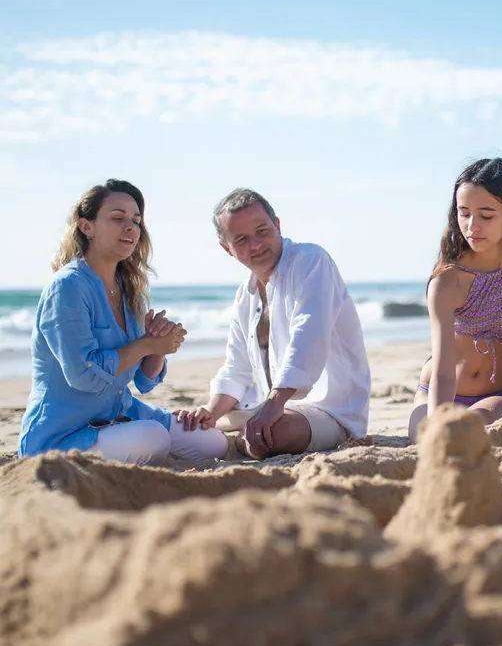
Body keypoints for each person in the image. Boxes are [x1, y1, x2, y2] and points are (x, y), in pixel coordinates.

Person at [18, 179, 228, 463]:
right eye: (118, 218)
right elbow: (84, 376)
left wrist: (158, 347)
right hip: (62, 435)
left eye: (136, 220)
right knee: (153, 437)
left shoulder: (130, 288)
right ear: (86, 226)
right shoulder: (67, 287)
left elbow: (144, 380)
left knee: (212, 443)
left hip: (119, 416)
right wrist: (144, 345)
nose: (130, 227)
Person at [174, 189, 370, 459]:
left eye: (262, 231)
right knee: (193, 424)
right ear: (227, 249)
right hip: (270, 407)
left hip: (331, 411)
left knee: (266, 436)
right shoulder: (246, 294)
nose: (256, 245)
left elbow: (309, 334)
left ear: (277, 225)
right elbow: (237, 368)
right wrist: (210, 410)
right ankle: (224, 425)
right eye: (241, 239)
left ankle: (240, 431)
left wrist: (274, 403)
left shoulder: (311, 261)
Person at [408, 158, 502, 442]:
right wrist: (438, 425)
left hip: (500, 396)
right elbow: (443, 372)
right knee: (434, 439)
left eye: (486, 215)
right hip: (436, 392)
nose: (472, 226)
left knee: (474, 428)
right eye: (464, 214)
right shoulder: (445, 282)